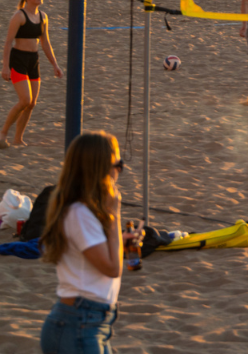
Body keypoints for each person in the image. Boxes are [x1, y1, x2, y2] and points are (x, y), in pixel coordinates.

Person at [39, 131, 143, 353]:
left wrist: (120, 242)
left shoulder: (83, 210)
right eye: (118, 164)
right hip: (78, 322)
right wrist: (114, 215)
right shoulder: (79, 213)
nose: (119, 171)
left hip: (90, 321)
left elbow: (91, 257)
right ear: (101, 168)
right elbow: (112, 268)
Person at [0, 0, 63, 148]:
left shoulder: (43, 16)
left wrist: (55, 64)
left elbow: (45, 43)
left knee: (32, 103)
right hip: (18, 59)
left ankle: (18, 139)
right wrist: (5, 67)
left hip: (34, 60)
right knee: (25, 100)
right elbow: (7, 43)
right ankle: (3, 133)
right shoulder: (19, 16)